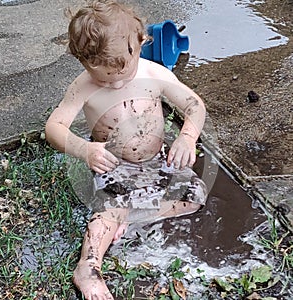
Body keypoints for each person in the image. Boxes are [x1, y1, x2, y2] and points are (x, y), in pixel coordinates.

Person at [45, 0, 208, 299]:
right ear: (82, 61)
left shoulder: (155, 74)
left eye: (123, 73)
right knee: (108, 209)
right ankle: (88, 267)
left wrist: (187, 137)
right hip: (113, 163)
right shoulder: (82, 86)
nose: (117, 85)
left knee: (194, 196)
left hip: (158, 160)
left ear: (141, 42)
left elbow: (194, 106)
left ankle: (135, 216)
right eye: (105, 77)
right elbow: (54, 128)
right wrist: (85, 150)